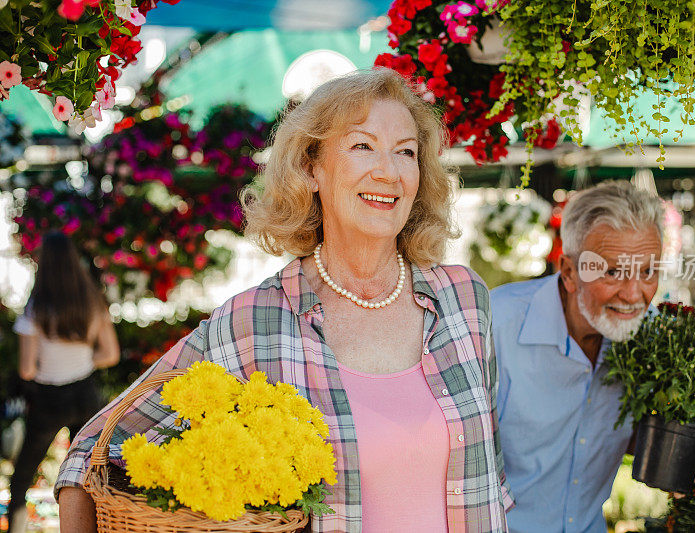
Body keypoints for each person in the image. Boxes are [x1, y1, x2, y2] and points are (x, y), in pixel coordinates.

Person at [56, 68, 514, 533]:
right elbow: (90, 453)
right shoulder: (255, 320)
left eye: (406, 152)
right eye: (362, 146)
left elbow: (489, 475)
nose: (389, 171)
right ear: (311, 168)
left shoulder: (464, 299)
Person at [491, 182, 663, 533]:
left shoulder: (654, 340)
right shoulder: (493, 325)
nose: (634, 294)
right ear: (569, 272)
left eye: (647, 271)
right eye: (613, 272)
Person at [8, 231, 120, 533]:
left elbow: (27, 370)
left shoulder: (36, 309)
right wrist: (82, 361)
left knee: (21, 481)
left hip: (48, 400)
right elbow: (110, 354)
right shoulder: (92, 302)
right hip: (85, 395)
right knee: (91, 474)